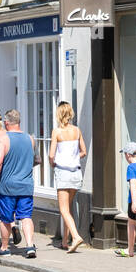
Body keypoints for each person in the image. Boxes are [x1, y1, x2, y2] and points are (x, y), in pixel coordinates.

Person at [0, 108, 37, 258]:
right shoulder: (30, 139)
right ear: (19, 122)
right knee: (26, 216)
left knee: (5, 218)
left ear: (6, 122)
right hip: (26, 185)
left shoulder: (3, 139)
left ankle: (4, 248)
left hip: (7, 186)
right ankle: (30, 246)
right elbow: (37, 160)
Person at [48, 101, 87, 253]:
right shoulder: (77, 131)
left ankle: (76, 236)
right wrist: (74, 157)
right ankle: (65, 241)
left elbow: (51, 155)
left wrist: (53, 162)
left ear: (59, 114)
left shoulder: (57, 132)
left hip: (63, 172)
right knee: (68, 208)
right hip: (76, 172)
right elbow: (83, 151)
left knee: (63, 209)